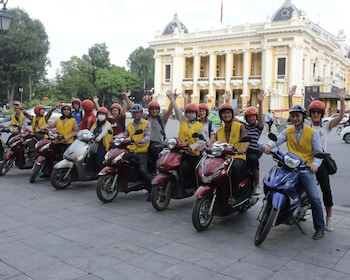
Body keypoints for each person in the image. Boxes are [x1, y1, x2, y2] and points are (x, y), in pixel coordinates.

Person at [263, 105, 325, 240]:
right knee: (274, 182)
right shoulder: (288, 131)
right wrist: (268, 145)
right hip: (289, 166)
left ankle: (320, 227)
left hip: (305, 168)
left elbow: (319, 152)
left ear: (303, 117)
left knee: (314, 198)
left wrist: (315, 165)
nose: (295, 118)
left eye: (298, 115)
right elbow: (277, 140)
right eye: (293, 116)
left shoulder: (312, 132)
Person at [289, 87, 346, 232]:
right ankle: (295, 210)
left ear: (321, 114)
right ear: (309, 114)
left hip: (320, 161)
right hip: (305, 160)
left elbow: (340, 117)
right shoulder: (306, 124)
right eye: (313, 112)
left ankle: (329, 218)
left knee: (326, 189)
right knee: (295, 185)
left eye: (318, 112)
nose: (315, 114)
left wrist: (341, 100)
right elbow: (293, 115)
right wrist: (290, 97)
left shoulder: (326, 126)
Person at [123, 90, 177, 173]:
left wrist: (173, 99)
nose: (154, 111)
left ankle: (155, 170)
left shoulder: (162, 119)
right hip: (145, 142)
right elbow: (135, 108)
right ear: (149, 110)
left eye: (156, 109)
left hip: (157, 143)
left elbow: (169, 110)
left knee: (153, 150)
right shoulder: (146, 117)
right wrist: (126, 98)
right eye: (152, 109)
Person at [169, 95, 205, 191]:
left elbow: (202, 141)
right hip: (180, 151)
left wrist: (193, 146)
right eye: (189, 112)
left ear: (196, 114)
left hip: (193, 154)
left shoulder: (200, 126)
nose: (190, 114)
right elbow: (177, 110)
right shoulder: (183, 121)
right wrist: (172, 99)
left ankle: (190, 186)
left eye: (192, 112)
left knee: (187, 168)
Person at [216, 103, 249, 192]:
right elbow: (213, 141)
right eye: (224, 113)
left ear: (232, 114)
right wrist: (207, 146)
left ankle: (235, 192)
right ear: (220, 116)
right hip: (223, 157)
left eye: (228, 112)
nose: (226, 115)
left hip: (237, 156)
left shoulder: (239, 126)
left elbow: (246, 139)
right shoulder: (219, 130)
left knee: (235, 168)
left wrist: (243, 149)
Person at [124, 104, 152, 201]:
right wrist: (118, 139)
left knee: (143, 170)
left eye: (137, 112)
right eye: (134, 113)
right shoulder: (130, 124)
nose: (135, 114)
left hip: (141, 151)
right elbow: (125, 135)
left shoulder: (146, 123)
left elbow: (148, 136)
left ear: (141, 113)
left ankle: (151, 190)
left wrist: (142, 141)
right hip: (131, 150)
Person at [241, 89, 265, 195]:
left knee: (253, 160)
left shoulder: (258, 127)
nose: (252, 118)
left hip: (251, 150)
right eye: (249, 116)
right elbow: (231, 118)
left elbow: (260, 119)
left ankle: (257, 184)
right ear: (246, 118)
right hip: (241, 150)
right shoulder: (244, 126)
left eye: (253, 116)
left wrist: (260, 103)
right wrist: (227, 101)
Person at [89, 107, 112, 172]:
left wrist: (99, 137)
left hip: (103, 144)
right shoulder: (96, 123)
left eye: (103, 114)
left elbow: (104, 132)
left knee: (99, 160)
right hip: (94, 143)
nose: (101, 115)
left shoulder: (108, 124)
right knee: (90, 157)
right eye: (100, 113)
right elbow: (91, 131)